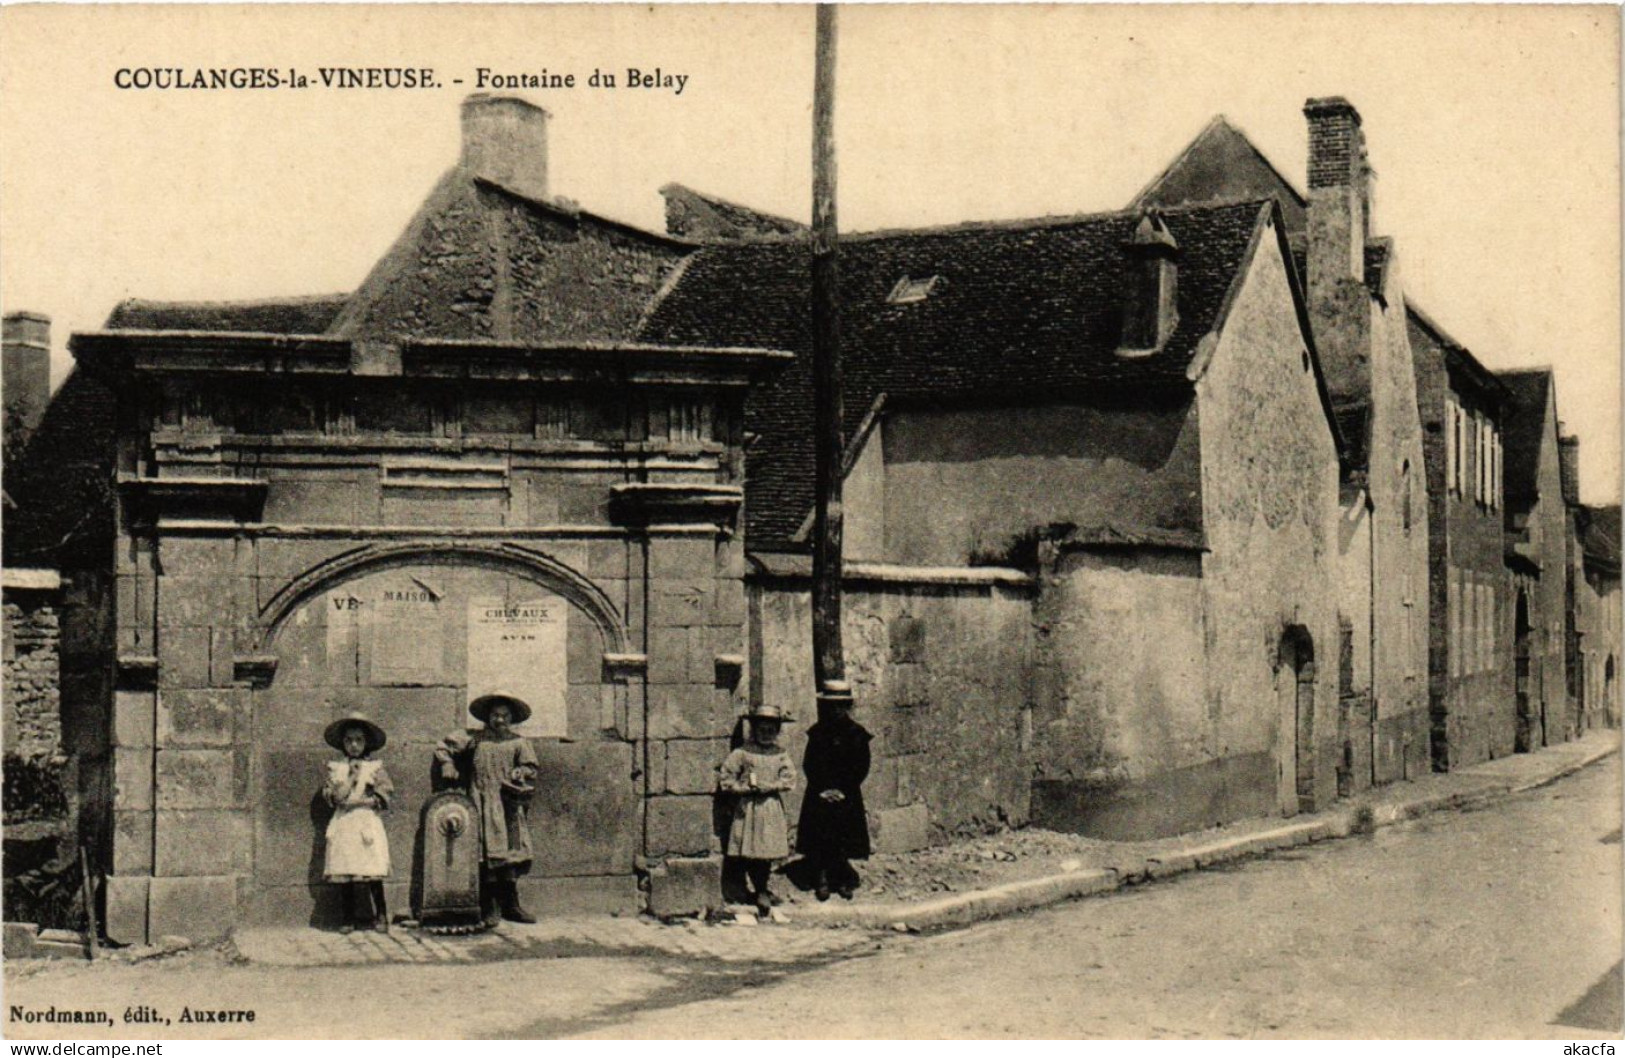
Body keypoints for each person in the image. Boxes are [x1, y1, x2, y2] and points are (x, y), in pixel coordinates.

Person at [436, 693, 540, 925]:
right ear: (487, 717)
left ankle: (512, 905)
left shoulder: (518, 743)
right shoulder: (475, 739)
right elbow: (444, 746)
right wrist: (448, 764)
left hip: (507, 805)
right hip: (481, 801)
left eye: (505, 716)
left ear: (512, 718)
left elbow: (530, 767)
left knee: (509, 854)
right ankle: (490, 905)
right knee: (487, 855)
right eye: (495, 715)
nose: (500, 720)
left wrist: (520, 772)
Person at [716, 704, 798, 919]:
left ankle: (762, 888)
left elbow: (790, 779)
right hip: (749, 808)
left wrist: (771, 786)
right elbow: (726, 778)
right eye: (762, 729)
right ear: (753, 729)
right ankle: (750, 889)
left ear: (777, 731)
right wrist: (742, 788)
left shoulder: (780, 754)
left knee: (766, 851)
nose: (766, 734)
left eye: (771, 730)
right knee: (750, 849)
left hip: (769, 806)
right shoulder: (742, 753)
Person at [321, 713, 394, 934]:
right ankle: (348, 917)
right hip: (344, 822)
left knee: (371, 868)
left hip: (365, 821)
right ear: (343, 743)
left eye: (359, 740)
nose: (354, 745)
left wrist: (365, 800)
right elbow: (336, 797)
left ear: (366, 743)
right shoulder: (335, 769)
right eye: (349, 740)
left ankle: (381, 914)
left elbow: (384, 794)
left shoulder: (375, 768)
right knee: (346, 868)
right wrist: (351, 778)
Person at [796, 693, 872, 900]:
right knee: (820, 835)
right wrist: (822, 789)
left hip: (847, 794)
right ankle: (821, 879)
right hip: (819, 794)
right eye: (831, 706)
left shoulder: (857, 734)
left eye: (840, 706)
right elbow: (809, 764)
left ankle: (843, 879)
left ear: (847, 707)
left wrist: (843, 790)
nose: (835, 710)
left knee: (843, 835)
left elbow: (861, 766)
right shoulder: (818, 732)